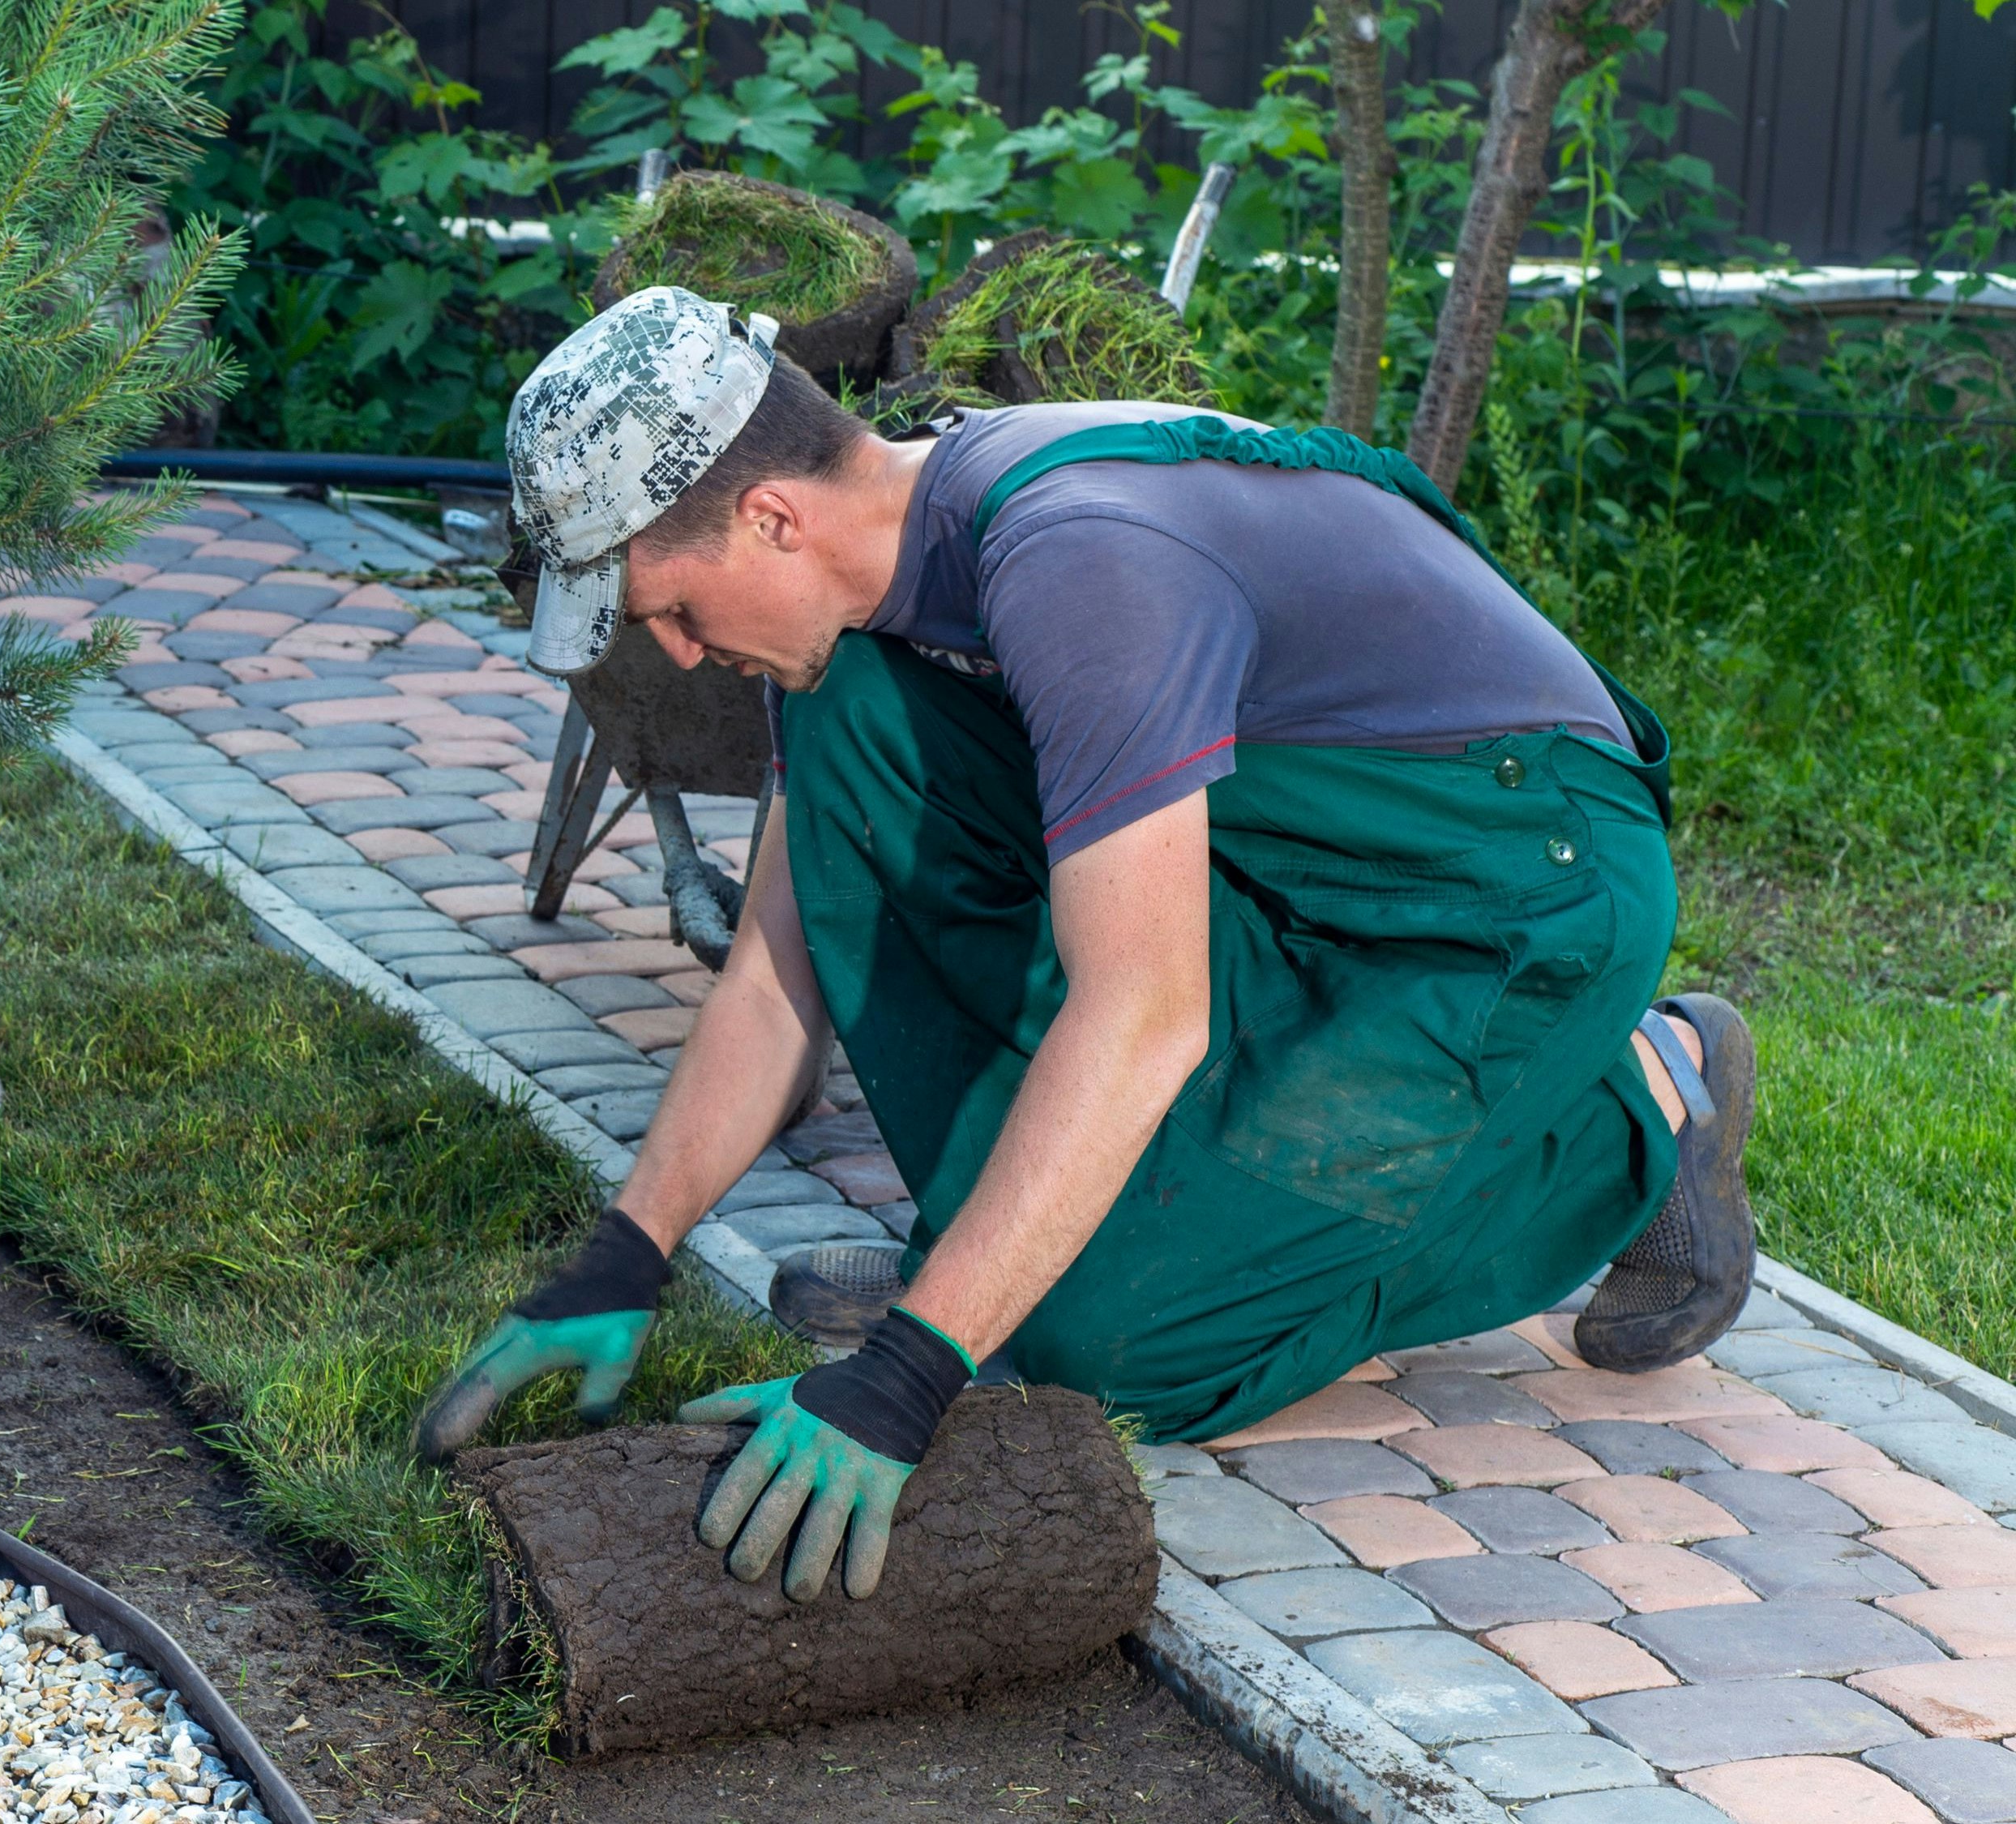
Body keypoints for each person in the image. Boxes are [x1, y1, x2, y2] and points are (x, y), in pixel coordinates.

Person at [410, 287, 1757, 1608]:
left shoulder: (1078, 561)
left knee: (1107, 1351)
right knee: (855, 724)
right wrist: (626, 1250)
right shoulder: (879, 587)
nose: (681, 654)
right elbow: (779, 969)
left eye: (670, 606)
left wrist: (912, 1369)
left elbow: (1145, 1013)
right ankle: (1010, 1241)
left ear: (770, 515)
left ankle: (1639, 1100)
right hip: (1294, 860)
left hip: (1508, 897)